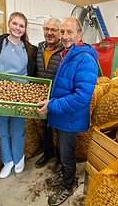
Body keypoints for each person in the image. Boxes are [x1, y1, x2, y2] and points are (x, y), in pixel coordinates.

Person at [37, 17, 98, 206]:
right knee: (62, 153)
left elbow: (81, 97)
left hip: (70, 117)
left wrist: (52, 105)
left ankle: (67, 184)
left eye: (69, 32)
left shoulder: (84, 59)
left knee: (67, 154)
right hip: (62, 116)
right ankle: (65, 176)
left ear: (80, 34)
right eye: (62, 32)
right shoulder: (68, 53)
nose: (64, 36)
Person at [0, 12, 37, 179]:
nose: (17, 28)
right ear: (9, 24)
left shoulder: (30, 49)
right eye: (15, 24)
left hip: (20, 94)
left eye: (21, 26)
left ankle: (18, 158)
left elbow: (34, 73)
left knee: (17, 130)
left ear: (25, 29)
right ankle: (7, 160)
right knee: (2, 130)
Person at [34, 17, 64, 172]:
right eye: (46, 29)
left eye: (53, 29)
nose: (49, 33)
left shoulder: (64, 51)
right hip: (42, 96)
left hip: (58, 98)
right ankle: (47, 153)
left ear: (60, 32)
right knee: (44, 127)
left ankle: (60, 158)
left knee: (58, 129)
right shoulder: (38, 49)